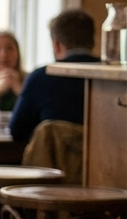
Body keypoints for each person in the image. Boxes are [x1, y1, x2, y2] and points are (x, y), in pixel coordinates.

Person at [10, 8, 101, 143]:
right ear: (93, 42)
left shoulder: (40, 78)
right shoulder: (114, 77)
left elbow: (17, 131)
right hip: (108, 161)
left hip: (52, 163)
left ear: (56, 45)